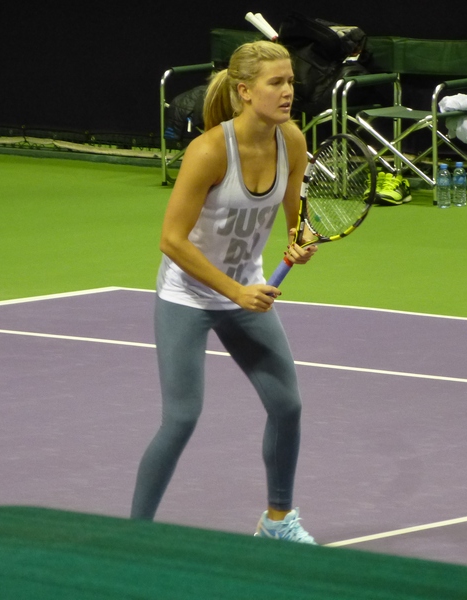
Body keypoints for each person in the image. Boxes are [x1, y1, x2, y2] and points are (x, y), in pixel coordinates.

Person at [130, 41, 318, 544]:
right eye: (275, 83)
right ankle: (132, 538)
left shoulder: (292, 142)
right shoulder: (210, 150)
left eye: (290, 82)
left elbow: (294, 211)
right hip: (188, 297)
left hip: (244, 291)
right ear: (244, 91)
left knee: (287, 406)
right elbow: (171, 239)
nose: (286, 92)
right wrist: (237, 291)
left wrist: (300, 240)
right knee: (182, 417)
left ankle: (277, 522)